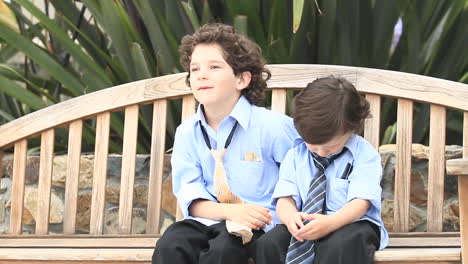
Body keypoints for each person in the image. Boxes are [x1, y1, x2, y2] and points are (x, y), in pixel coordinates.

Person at [152, 23, 297, 264]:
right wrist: (229, 212)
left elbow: (298, 181)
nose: (202, 75)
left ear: (242, 79)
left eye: (215, 67)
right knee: (172, 241)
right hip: (211, 218)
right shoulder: (187, 132)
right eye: (195, 69)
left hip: (258, 224)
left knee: (224, 249)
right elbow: (190, 194)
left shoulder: (273, 127)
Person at [260, 76, 389, 264]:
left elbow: (361, 202)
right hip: (308, 224)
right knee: (269, 243)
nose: (320, 152)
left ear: (351, 129)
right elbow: (285, 198)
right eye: (312, 145)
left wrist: (331, 223)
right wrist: (290, 219)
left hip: (351, 223)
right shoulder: (295, 156)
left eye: (329, 147)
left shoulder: (364, 155)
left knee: (341, 245)